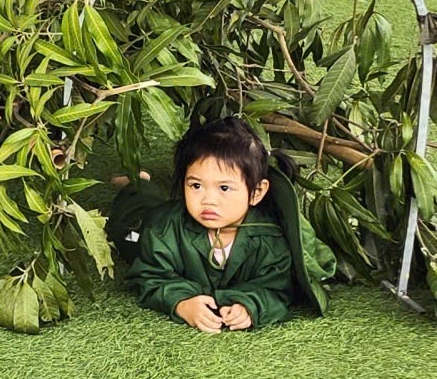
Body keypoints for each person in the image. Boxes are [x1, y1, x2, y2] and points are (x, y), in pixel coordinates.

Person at [133, 118, 310, 333]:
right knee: (136, 206)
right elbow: (149, 276)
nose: (208, 200)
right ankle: (136, 182)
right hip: (134, 227)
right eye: (196, 185)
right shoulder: (162, 228)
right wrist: (181, 303)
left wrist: (250, 305)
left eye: (224, 188)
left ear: (256, 192)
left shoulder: (270, 237)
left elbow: (278, 287)